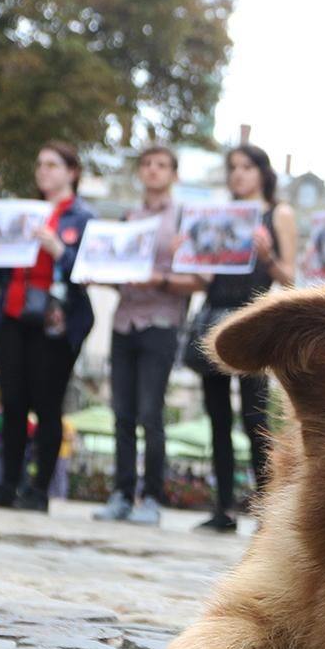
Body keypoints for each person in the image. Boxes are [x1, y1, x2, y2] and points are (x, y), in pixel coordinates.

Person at [0, 140, 94, 513]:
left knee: (47, 404)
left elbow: (90, 268)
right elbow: (1, 271)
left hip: (55, 320)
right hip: (13, 315)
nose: (43, 171)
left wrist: (60, 250)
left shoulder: (81, 216)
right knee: (12, 402)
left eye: (53, 164)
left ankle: (38, 488)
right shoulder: (23, 212)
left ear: (72, 172)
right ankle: (6, 484)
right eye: (40, 164)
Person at [96, 146, 201, 527]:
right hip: (125, 320)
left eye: (161, 165)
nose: (153, 171)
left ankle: (152, 497)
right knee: (121, 413)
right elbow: (115, 266)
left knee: (149, 413)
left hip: (160, 321)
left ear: (173, 174)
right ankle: (122, 493)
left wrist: (164, 276)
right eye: (147, 165)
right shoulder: (128, 217)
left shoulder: (185, 219)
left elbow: (199, 277)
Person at [194, 143, 295, 533]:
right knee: (217, 420)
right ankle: (222, 509)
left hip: (252, 319)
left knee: (255, 420)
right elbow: (203, 275)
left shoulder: (277, 213)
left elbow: (290, 277)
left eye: (247, 167)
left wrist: (267, 256)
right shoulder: (220, 216)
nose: (238, 174)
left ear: (262, 172)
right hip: (213, 315)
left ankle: (265, 513)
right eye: (233, 167)